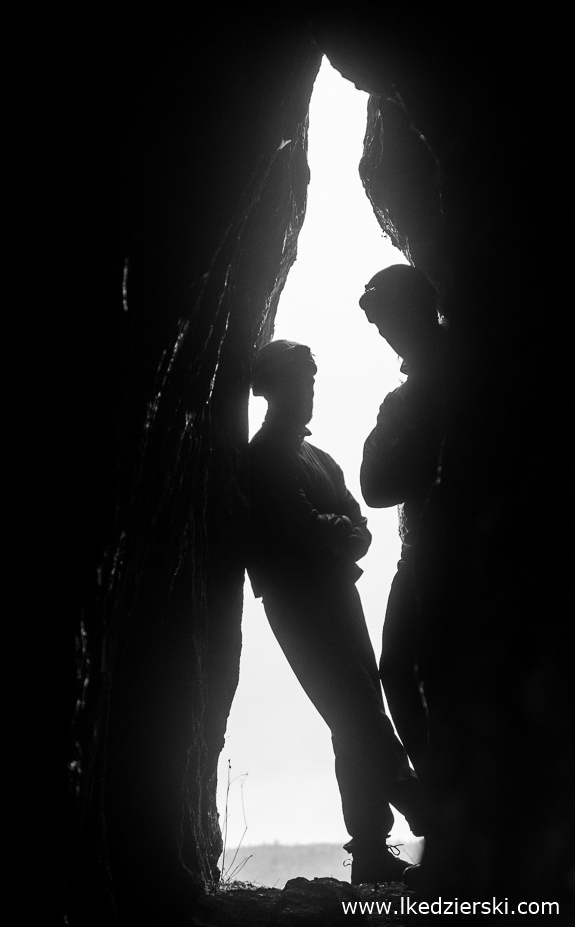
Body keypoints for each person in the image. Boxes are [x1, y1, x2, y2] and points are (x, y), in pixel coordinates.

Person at [245, 339, 426, 884]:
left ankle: (370, 848)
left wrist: (338, 532)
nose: (309, 393)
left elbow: (355, 526)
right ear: (272, 390)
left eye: (312, 382)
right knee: (352, 712)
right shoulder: (261, 460)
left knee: (353, 714)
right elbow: (309, 529)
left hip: (335, 596)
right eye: (300, 383)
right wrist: (337, 532)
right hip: (298, 603)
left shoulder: (316, 458)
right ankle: (420, 805)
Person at [358, 265, 448, 783]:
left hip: (437, 558)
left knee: (410, 672)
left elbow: (379, 484)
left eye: (385, 320)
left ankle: (448, 813)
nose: (384, 333)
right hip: (432, 555)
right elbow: (376, 486)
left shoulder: (418, 393)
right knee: (412, 673)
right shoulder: (417, 390)